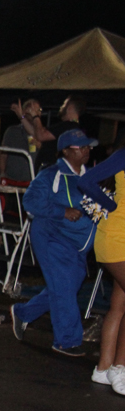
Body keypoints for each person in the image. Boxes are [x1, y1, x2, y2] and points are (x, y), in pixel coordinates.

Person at [10, 129, 98, 357]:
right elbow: (29, 202)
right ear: (66, 151)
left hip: (78, 246)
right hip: (51, 236)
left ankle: (24, 313)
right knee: (64, 287)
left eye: (88, 145)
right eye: (81, 147)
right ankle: (66, 340)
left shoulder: (91, 176)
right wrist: (61, 211)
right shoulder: (52, 174)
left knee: (64, 287)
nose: (87, 150)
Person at [80, 141, 125, 393]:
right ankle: (121, 368)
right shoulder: (123, 156)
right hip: (116, 238)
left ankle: (104, 368)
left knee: (119, 306)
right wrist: (111, 207)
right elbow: (87, 181)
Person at [14, 94, 86, 171]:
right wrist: (21, 116)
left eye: (64, 104)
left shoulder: (68, 126)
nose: (61, 107)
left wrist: (35, 115)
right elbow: (36, 133)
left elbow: (41, 135)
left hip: (50, 173)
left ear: (70, 108)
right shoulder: (71, 127)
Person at [0, 98, 41, 183]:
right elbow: (3, 154)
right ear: (24, 111)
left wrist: (39, 144)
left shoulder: (42, 133)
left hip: (32, 180)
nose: (36, 113)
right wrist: (2, 174)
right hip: (11, 179)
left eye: (38, 110)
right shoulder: (12, 131)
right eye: (32, 110)